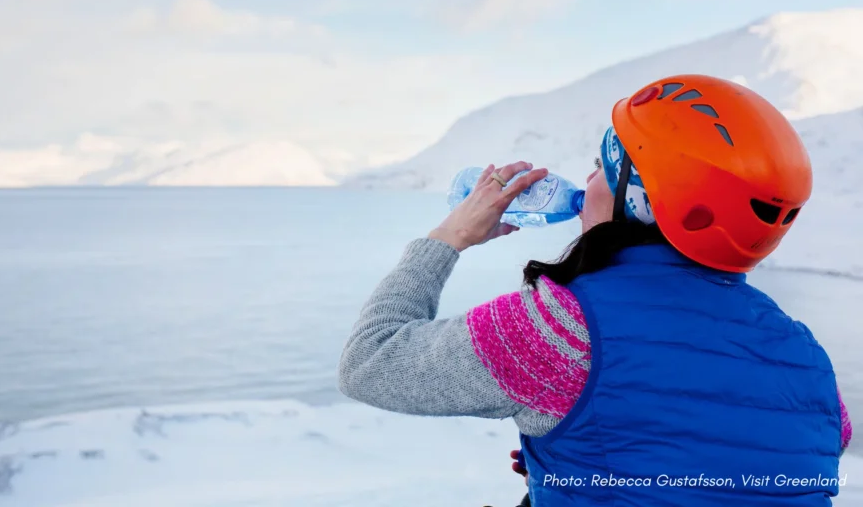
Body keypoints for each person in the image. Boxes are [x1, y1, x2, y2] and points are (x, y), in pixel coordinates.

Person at [338, 75, 853, 506]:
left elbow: (370, 363)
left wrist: (447, 238)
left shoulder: (563, 330)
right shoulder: (805, 354)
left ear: (640, 200)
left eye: (604, 167)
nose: (587, 179)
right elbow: (798, 446)